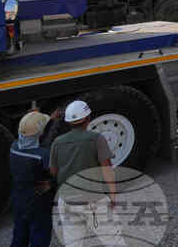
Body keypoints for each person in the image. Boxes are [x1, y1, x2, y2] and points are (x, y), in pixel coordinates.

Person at [49, 100, 123, 247]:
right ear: (88, 118)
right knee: (113, 240)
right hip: (93, 199)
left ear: (68, 122)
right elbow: (107, 170)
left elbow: (53, 172)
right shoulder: (97, 139)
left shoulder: (57, 142)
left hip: (67, 200)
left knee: (73, 242)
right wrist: (113, 196)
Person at [9, 110, 55, 247]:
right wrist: (52, 184)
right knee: (40, 236)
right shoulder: (43, 155)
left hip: (18, 200)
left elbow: (35, 139)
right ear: (40, 134)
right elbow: (53, 174)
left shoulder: (14, 147)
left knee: (19, 235)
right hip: (38, 204)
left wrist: (50, 121)